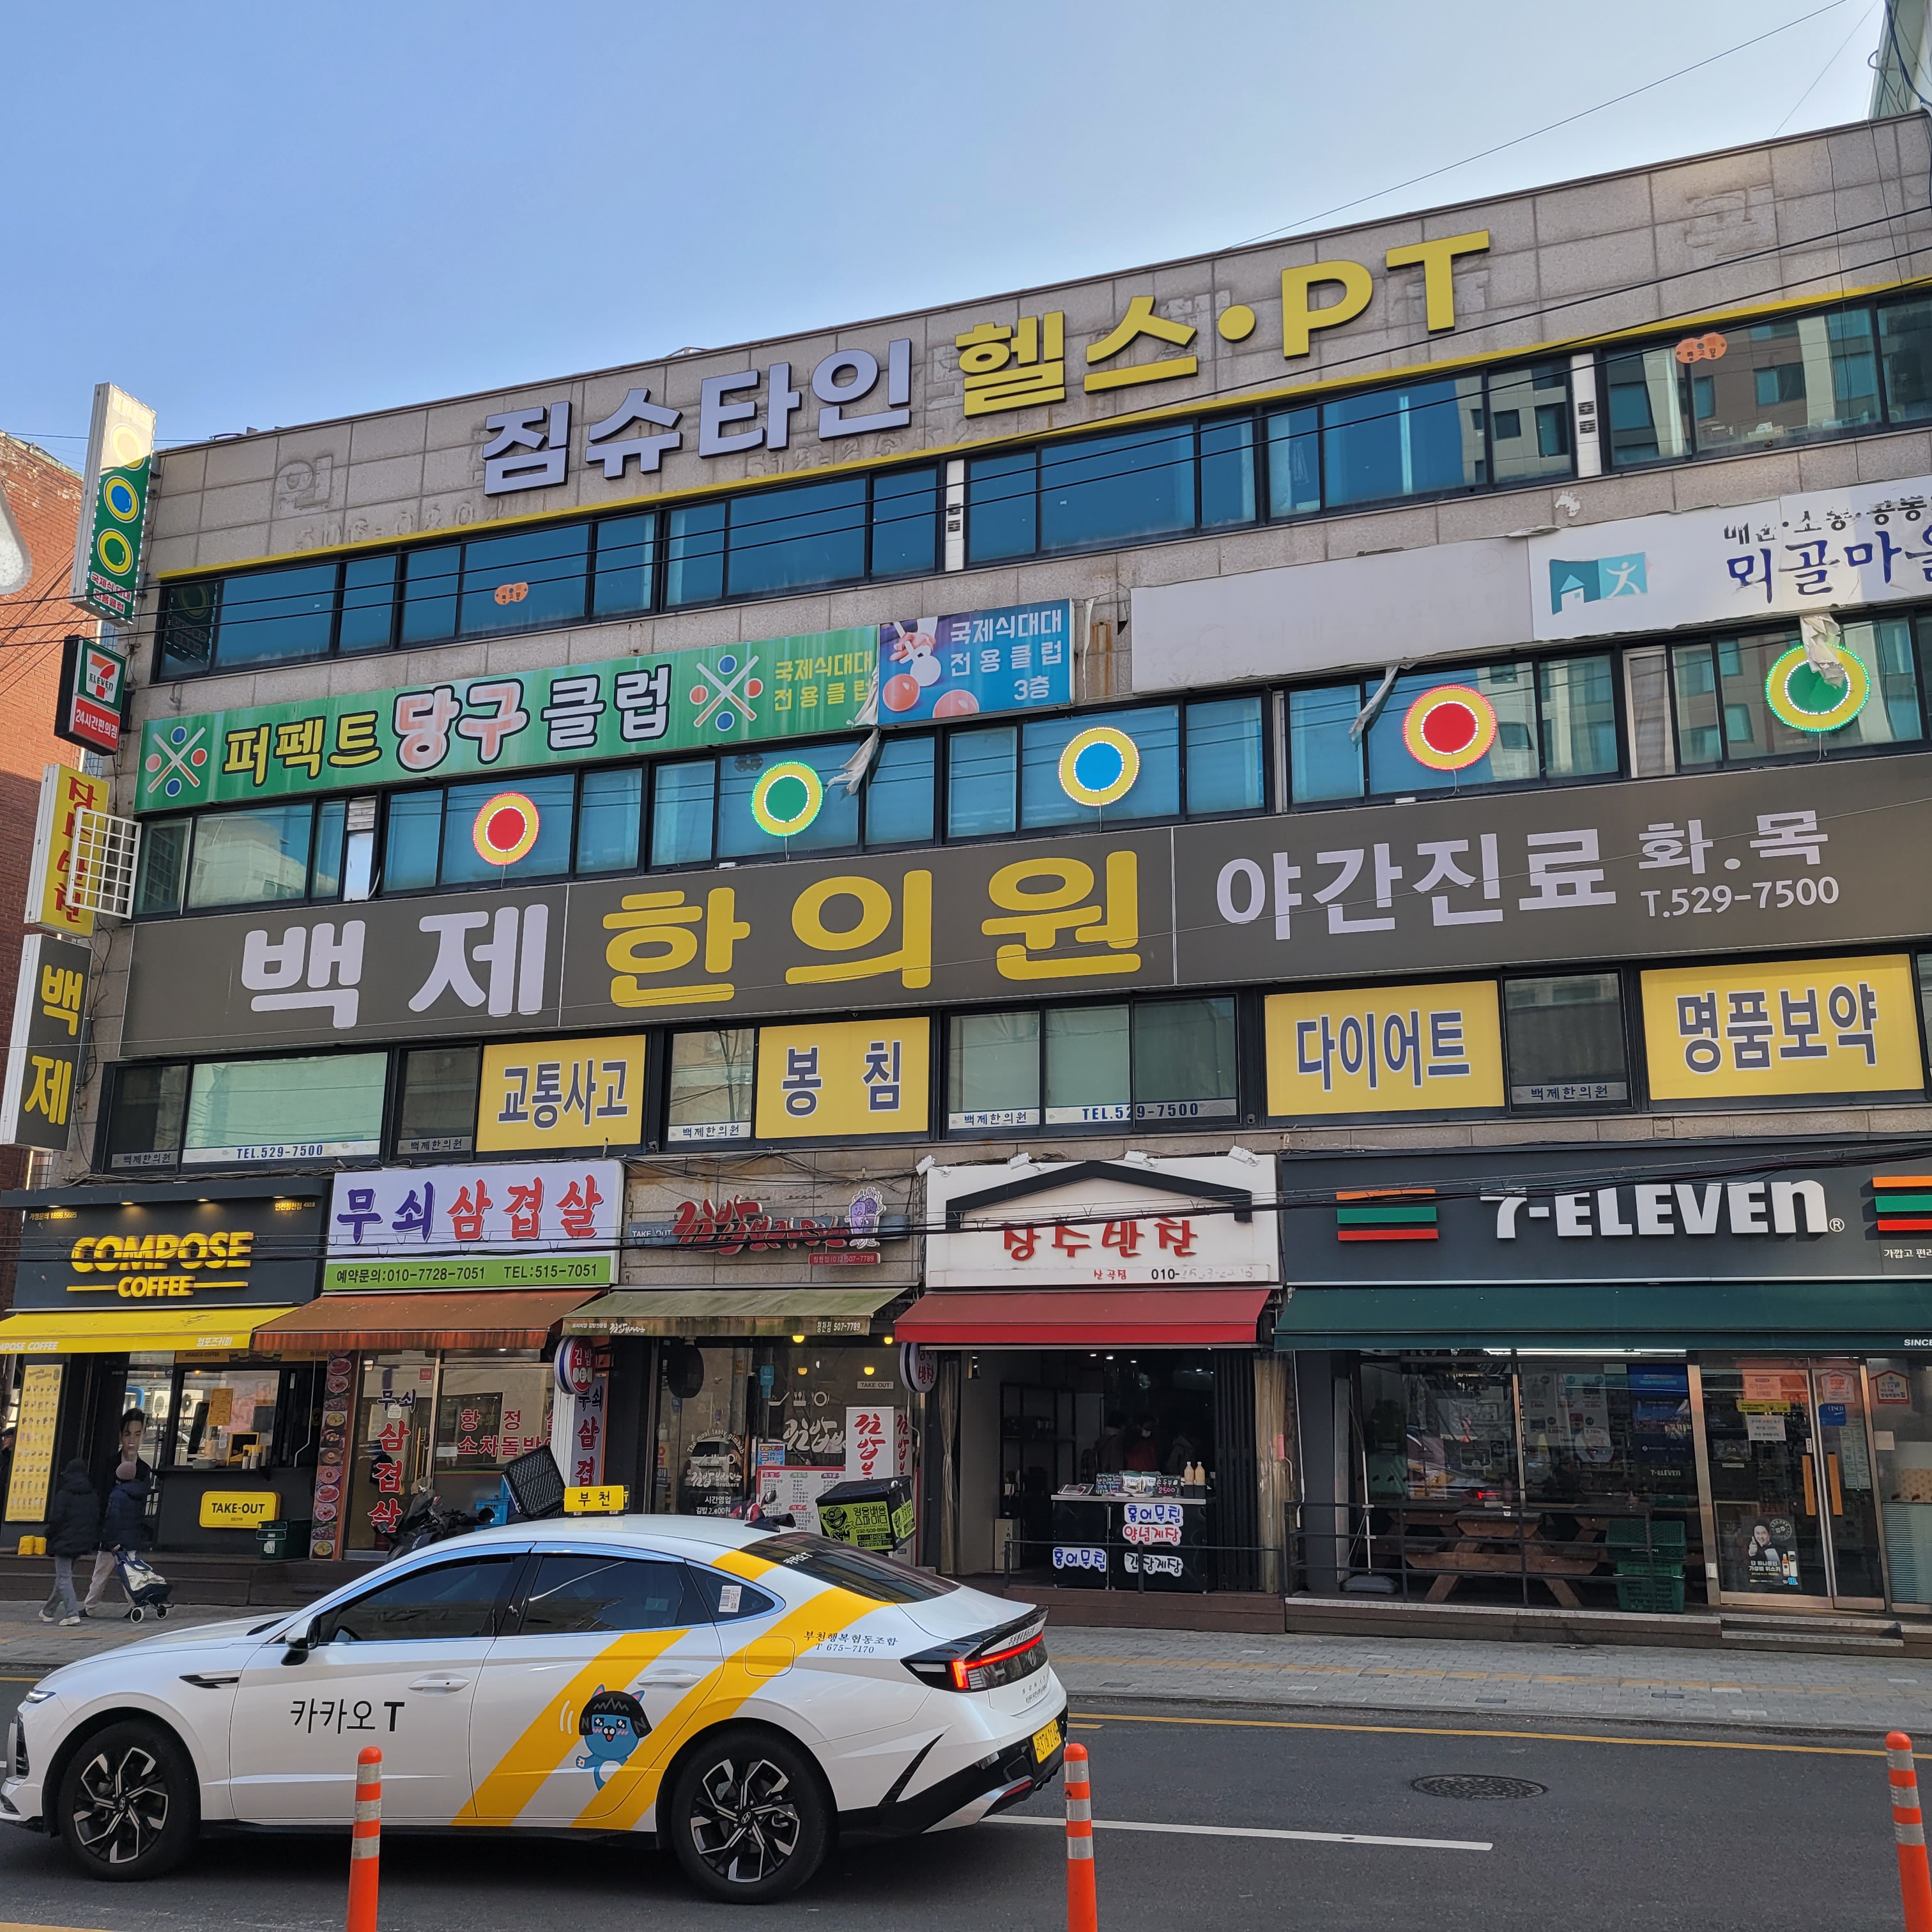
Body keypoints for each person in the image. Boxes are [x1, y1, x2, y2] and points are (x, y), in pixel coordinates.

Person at [84, 1409, 154, 1618]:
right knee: (103, 1573)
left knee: (129, 1573)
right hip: (112, 1533)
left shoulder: (144, 1469)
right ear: (120, 1436)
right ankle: (90, 1607)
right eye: (127, 1434)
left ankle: (134, 1606)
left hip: (125, 1533)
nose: (132, 1440)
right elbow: (101, 1497)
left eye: (138, 1434)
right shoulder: (109, 1465)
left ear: (144, 1435)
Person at [40, 1459, 100, 1626]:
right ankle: (48, 1611)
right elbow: (96, 1518)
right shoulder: (92, 1495)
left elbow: (57, 1519)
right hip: (83, 1541)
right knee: (63, 1577)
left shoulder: (64, 1494)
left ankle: (72, 1613)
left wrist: (49, 1535)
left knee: (64, 1578)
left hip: (64, 1540)